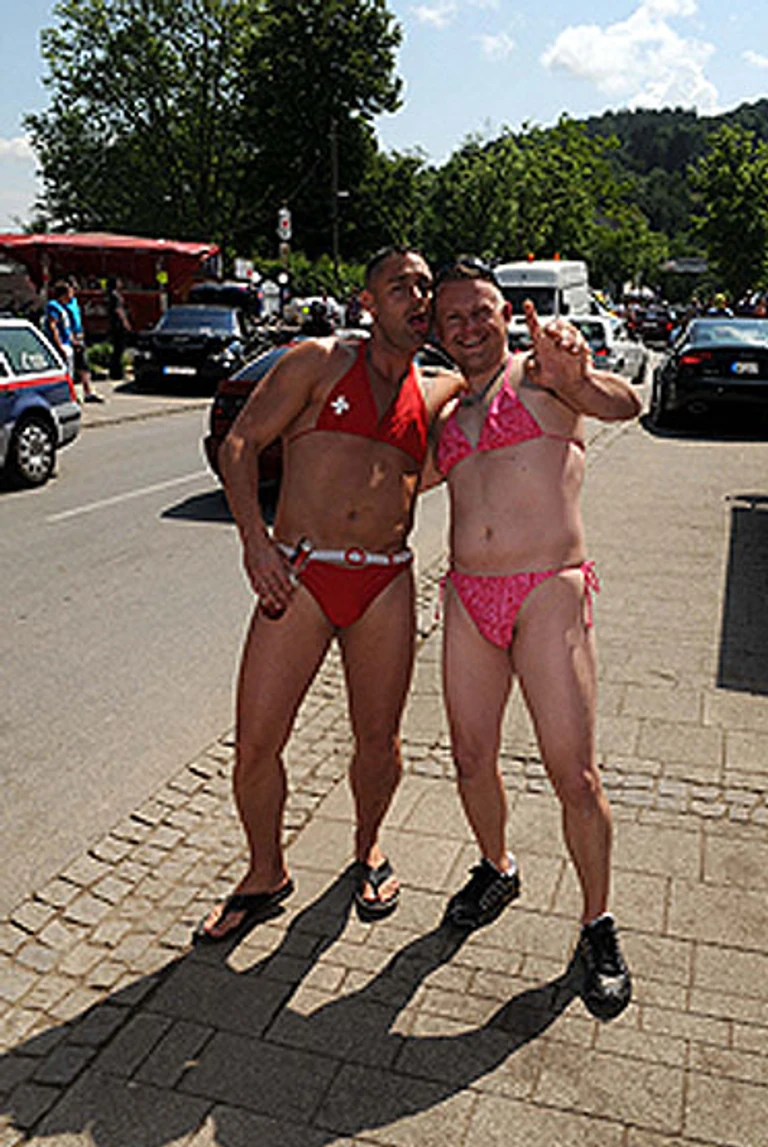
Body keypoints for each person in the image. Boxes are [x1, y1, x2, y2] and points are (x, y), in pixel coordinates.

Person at [194, 247, 459, 943]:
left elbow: (490, 405)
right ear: (366, 302)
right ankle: (265, 872)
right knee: (257, 743)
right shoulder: (316, 360)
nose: (419, 297)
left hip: (384, 579)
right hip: (300, 575)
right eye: (400, 286)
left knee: (379, 740)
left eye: (425, 287)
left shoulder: (438, 390)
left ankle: (368, 847)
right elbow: (240, 444)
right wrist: (255, 543)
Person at [427, 259, 641, 1021]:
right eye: (451, 317)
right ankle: (496, 866)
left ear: (503, 312)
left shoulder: (543, 375)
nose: (468, 326)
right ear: (437, 329)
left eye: (479, 311)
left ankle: (597, 924)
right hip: (467, 596)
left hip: (547, 589)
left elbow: (626, 403)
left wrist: (578, 379)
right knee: (468, 756)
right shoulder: (446, 409)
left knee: (573, 774)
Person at [66, 277, 104, 403]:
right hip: (69, 337)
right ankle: (71, 394)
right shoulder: (62, 305)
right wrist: (72, 337)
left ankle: (88, 391)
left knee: (83, 365)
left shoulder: (74, 302)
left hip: (79, 334)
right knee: (70, 367)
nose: (75, 290)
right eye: (72, 287)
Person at [44, 281, 74, 378]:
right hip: (61, 344)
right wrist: (59, 345)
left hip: (67, 342)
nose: (71, 296)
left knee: (70, 372)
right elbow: (53, 326)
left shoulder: (63, 307)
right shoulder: (53, 306)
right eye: (69, 293)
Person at [106, 276, 131, 379]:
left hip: (114, 325)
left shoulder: (111, 295)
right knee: (119, 349)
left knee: (117, 349)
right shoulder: (115, 296)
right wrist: (125, 322)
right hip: (118, 326)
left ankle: (116, 371)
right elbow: (118, 310)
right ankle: (117, 372)